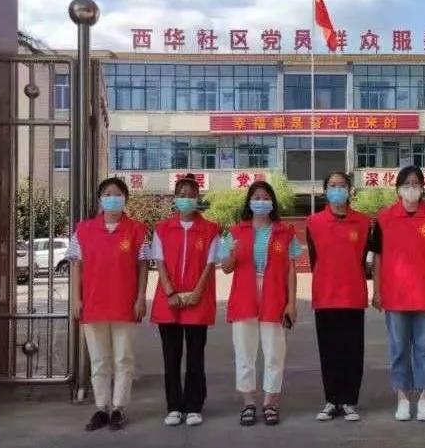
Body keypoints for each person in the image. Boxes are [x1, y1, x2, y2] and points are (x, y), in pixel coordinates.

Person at [371, 165, 425, 422]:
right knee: (398, 349)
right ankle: (403, 398)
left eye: (416, 183)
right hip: (395, 297)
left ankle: (424, 398)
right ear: (398, 189)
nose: (411, 188)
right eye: (406, 184)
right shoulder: (384, 218)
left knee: (424, 348)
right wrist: (377, 291)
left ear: (423, 188)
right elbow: (378, 257)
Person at [68, 177, 150, 431]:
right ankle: (101, 407)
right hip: (93, 304)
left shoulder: (137, 230)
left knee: (123, 358)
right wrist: (76, 298)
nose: (112, 198)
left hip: (125, 304)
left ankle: (118, 408)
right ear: (100, 199)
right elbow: (76, 265)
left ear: (125, 199)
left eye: (117, 193)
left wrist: (140, 298)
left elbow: (143, 266)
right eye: (107, 193)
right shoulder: (83, 230)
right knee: (99, 360)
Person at [220, 181, 302, 427]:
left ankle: (270, 403)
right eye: (256, 197)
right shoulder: (235, 232)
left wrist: (291, 303)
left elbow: (291, 269)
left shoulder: (285, 232)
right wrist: (231, 253)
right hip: (244, 297)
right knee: (244, 353)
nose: (261, 202)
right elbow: (226, 268)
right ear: (249, 202)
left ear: (272, 202)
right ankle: (248, 403)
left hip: (274, 296)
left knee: (274, 352)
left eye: (266, 197)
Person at [150, 174, 220, 427]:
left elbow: (210, 264)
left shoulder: (210, 230)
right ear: (174, 198)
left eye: (191, 195)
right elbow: (159, 261)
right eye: (182, 195)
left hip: (197, 300)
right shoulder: (162, 229)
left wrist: (197, 292)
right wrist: (170, 292)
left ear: (198, 198)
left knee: (195, 357)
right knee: (171, 357)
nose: (186, 199)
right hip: (168, 301)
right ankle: (174, 407)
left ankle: (193, 406)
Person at [306, 171, 371, 423]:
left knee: (352, 351)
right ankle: (332, 400)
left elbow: (363, 259)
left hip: (353, 295)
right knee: (329, 351)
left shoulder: (363, 222)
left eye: (342, 185)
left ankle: (349, 401)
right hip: (325, 295)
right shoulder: (314, 222)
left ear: (349, 190)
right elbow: (314, 259)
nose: (337, 189)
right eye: (332, 185)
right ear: (325, 190)